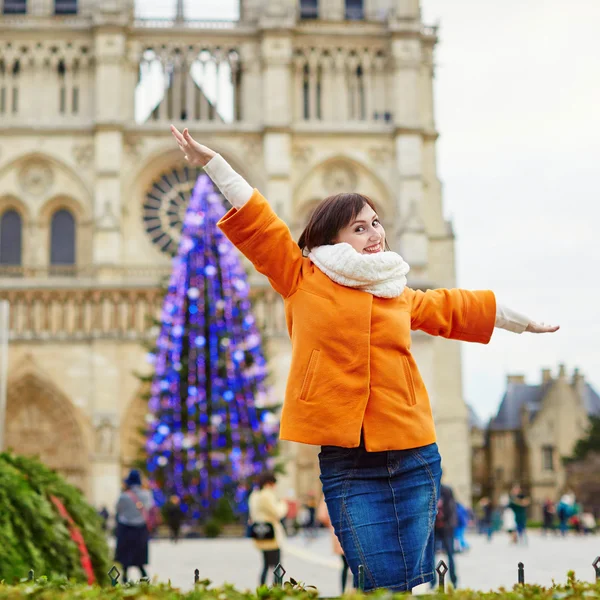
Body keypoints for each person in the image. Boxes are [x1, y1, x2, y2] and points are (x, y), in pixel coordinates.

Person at [170, 126, 559, 592]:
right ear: (331, 238)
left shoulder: (396, 292)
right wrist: (215, 162)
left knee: (414, 583)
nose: (375, 233)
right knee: (377, 581)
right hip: (348, 460)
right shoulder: (301, 277)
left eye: (376, 222)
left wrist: (522, 321)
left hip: (414, 452)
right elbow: (259, 220)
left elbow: (453, 307)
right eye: (360, 226)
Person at [248, 472, 288, 587]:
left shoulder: (254, 495)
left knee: (265, 564)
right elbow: (278, 512)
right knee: (277, 566)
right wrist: (283, 504)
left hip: (260, 534)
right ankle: (277, 590)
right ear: (269, 483)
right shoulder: (267, 495)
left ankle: (262, 589)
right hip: (271, 535)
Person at [115, 469, 154, 583]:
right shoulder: (147, 495)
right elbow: (149, 508)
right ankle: (144, 578)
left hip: (125, 529)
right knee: (139, 558)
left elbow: (118, 510)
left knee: (125, 558)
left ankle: (125, 578)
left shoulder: (124, 496)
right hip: (141, 530)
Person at [318, 495, 351, 594]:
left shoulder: (329, 491)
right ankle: (356, 591)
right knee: (356, 565)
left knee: (345, 565)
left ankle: (343, 591)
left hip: (338, 531)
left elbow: (322, 515)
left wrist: (331, 522)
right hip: (353, 531)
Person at [431, 483, 458, 588]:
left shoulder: (446, 490)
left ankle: (453, 579)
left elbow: (452, 508)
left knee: (450, 555)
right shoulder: (430, 489)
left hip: (446, 527)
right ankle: (432, 582)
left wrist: (451, 524)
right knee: (431, 556)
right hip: (434, 528)